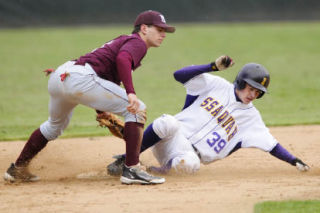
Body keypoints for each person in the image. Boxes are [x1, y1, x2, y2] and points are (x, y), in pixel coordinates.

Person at [4, 10, 175, 185]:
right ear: (144, 28)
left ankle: (17, 169)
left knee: (53, 127)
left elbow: (101, 81)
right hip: (80, 78)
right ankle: (132, 169)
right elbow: (123, 59)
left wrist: (102, 111)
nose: (163, 34)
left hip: (61, 76)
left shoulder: (123, 41)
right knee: (137, 109)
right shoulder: (137, 42)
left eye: (165, 31)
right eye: (159, 29)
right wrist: (130, 92)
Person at [106, 55, 310, 175]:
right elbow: (179, 75)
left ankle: (154, 171)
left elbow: (272, 145)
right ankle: (127, 160)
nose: (252, 95)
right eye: (250, 88)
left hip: (186, 156)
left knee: (191, 165)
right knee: (167, 121)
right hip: (172, 137)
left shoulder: (251, 118)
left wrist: (293, 160)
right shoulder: (216, 85)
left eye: (257, 93)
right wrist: (212, 67)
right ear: (240, 82)